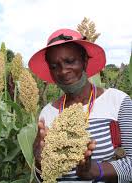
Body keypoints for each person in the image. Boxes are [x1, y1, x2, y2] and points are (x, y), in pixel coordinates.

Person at [29, 29, 132, 182]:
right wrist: (39, 162)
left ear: (85, 60)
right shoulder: (48, 113)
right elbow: (45, 179)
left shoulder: (117, 101)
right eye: (54, 66)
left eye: (70, 61)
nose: (63, 71)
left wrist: (94, 171)